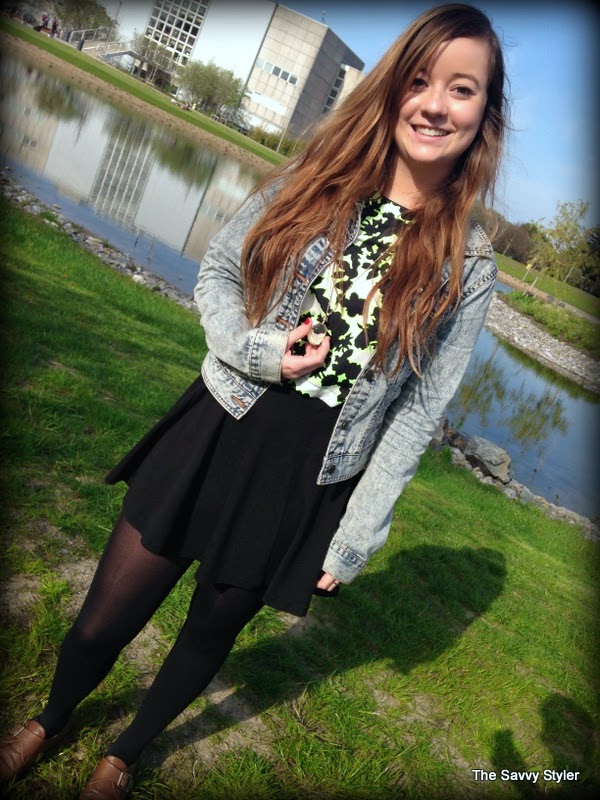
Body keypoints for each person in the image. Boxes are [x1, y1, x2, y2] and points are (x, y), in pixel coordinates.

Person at [0, 4, 507, 797]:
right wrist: (260, 350)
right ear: (393, 89)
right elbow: (218, 273)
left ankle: (123, 754)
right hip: (219, 421)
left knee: (209, 631)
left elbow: (417, 412)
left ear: (484, 115)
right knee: (105, 616)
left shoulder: (469, 264)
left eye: (462, 89)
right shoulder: (322, 175)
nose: (436, 105)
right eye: (420, 80)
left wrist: (355, 535)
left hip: (309, 476)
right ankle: (49, 719)